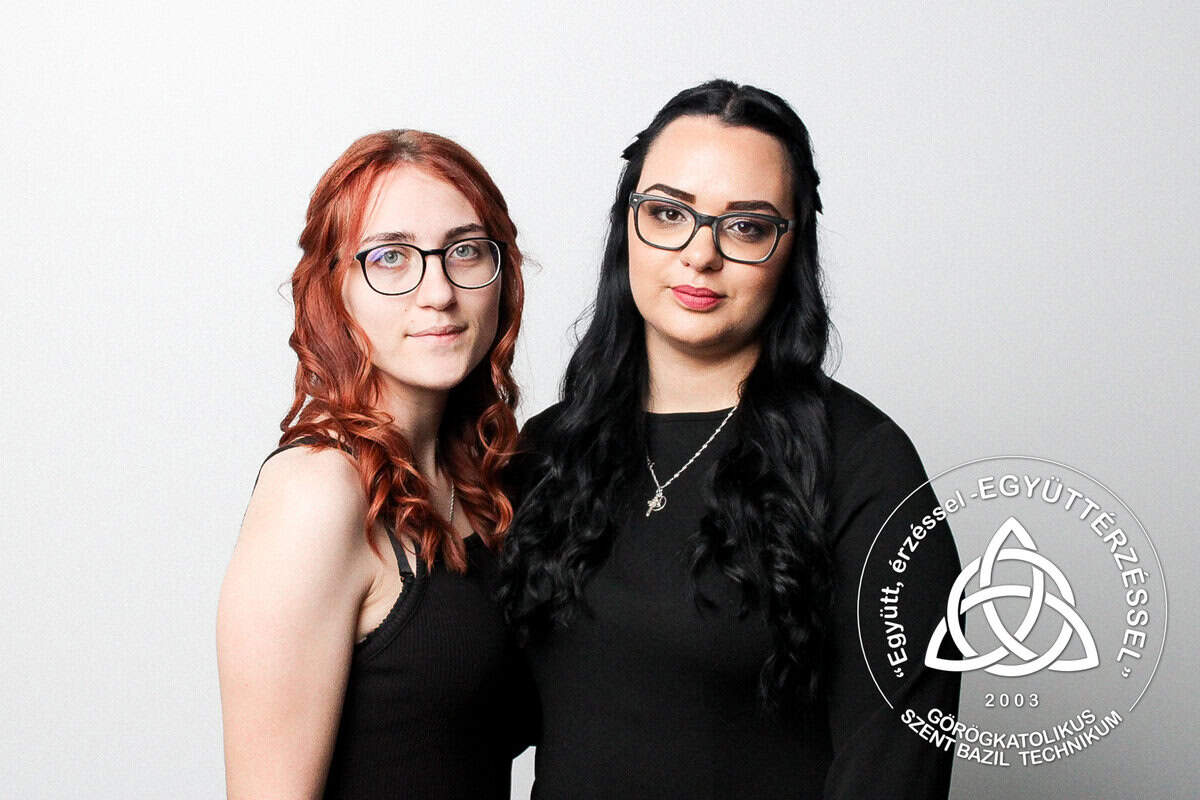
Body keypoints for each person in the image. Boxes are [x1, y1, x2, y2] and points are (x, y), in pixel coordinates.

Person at [497, 80, 961, 799]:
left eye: (745, 227)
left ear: (792, 247)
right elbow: (464, 714)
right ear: (627, 225)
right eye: (668, 213)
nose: (699, 254)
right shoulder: (548, 452)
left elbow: (895, 770)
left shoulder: (865, 465)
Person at [217, 129, 536, 799]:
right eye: (390, 257)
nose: (438, 291)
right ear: (333, 290)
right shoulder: (318, 492)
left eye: (466, 250)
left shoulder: (487, 484)